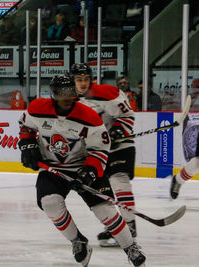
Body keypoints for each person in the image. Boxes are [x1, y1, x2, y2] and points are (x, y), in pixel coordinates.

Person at [18, 74, 145, 267]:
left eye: (71, 93)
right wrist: (27, 145)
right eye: (63, 94)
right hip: (53, 168)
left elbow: (101, 150)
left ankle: (130, 247)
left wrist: (90, 172)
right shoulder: (37, 108)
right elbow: (25, 125)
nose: (68, 98)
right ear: (54, 95)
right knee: (50, 203)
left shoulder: (89, 117)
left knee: (106, 212)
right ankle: (78, 241)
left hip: (84, 165)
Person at [70, 63, 138, 248]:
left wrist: (117, 130)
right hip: (97, 150)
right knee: (102, 191)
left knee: (118, 179)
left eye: (85, 79)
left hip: (120, 145)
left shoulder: (106, 93)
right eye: (78, 79)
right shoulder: (70, 100)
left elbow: (127, 115)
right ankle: (116, 225)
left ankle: (130, 226)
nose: (82, 83)